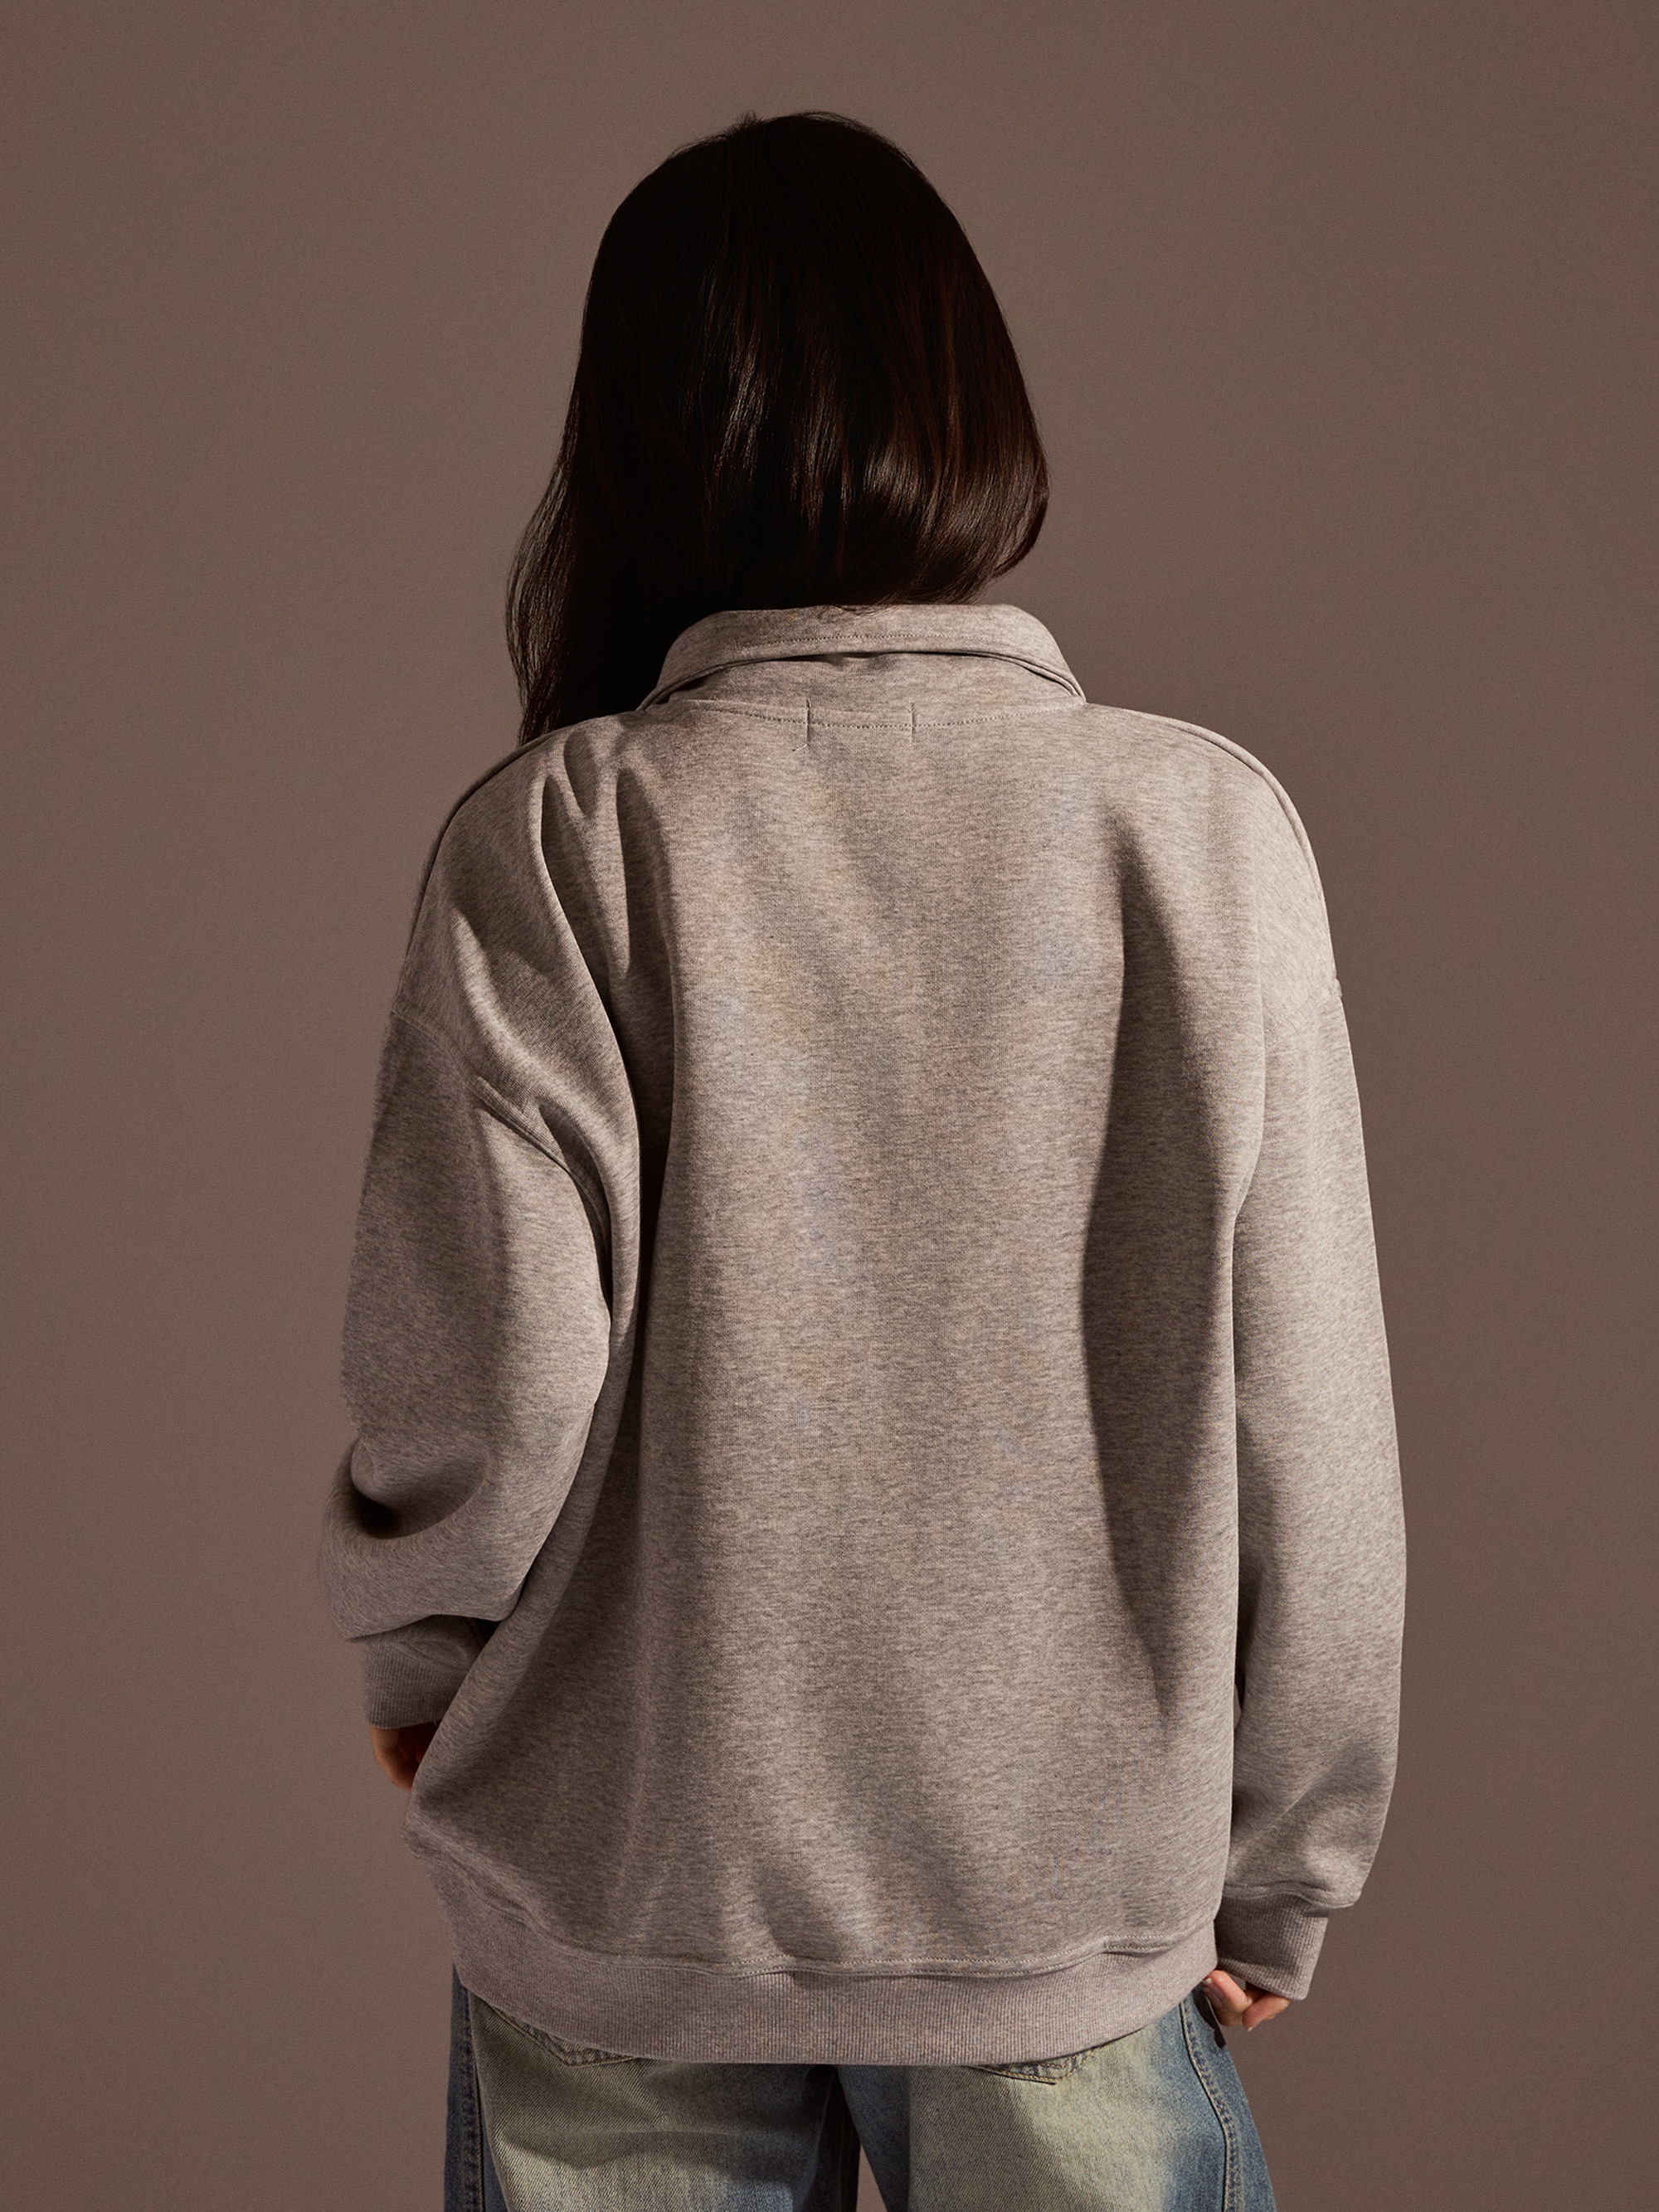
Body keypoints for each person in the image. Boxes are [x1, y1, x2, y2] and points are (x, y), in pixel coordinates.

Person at [318, 107, 1406, 2212]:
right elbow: (1316, 1433)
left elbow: (485, 1388)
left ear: (627, 446)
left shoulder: (563, 836)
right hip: (1063, 1898)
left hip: (631, 1885)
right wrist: (1288, 1858)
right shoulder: (1201, 833)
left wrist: (422, 1663)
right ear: (968, 405)